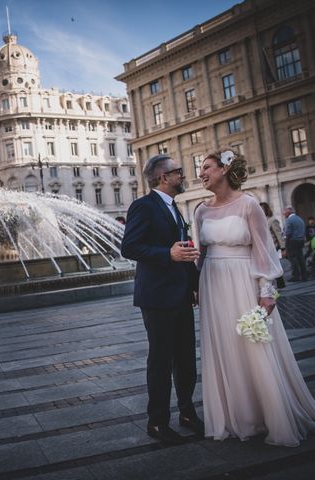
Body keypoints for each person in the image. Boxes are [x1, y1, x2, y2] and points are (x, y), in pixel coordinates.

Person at [195, 149, 315, 447]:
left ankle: (268, 413)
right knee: (223, 345)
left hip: (243, 280)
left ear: (225, 170)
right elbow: (200, 254)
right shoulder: (200, 210)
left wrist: (267, 291)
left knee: (252, 345)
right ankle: (238, 416)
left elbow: (263, 250)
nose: (201, 174)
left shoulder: (248, 204)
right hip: (212, 283)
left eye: (206, 168)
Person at [121, 154, 203, 445]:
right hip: (156, 297)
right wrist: (166, 254)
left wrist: (194, 284)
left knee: (185, 360)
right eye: (178, 172)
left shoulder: (174, 208)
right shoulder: (143, 206)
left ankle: (187, 413)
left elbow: (183, 250)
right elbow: (129, 247)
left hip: (180, 294)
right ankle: (157, 422)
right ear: (162, 177)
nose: (182, 175)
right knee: (160, 361)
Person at [259, 202, 286, 289]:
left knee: (274, 264)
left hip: (272, 246)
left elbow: (278, 234)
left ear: (266, 209)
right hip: (264, 247)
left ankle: (280, 283)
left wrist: (283, 248)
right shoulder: (261, 220)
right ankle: (276, 283)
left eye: (262, 209)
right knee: (271, 265)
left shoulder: (272, 220)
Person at [283, 206, 308, 281]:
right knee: (301, 258)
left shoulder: (289, 220)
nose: (284, 214)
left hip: (292, 241)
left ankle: (296, 276)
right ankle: (304, 275)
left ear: (289, 212)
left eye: (285, 212)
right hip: (301, 240)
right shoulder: (299, 219)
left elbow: (288, 233)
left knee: (293, 259)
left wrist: (286, 244)